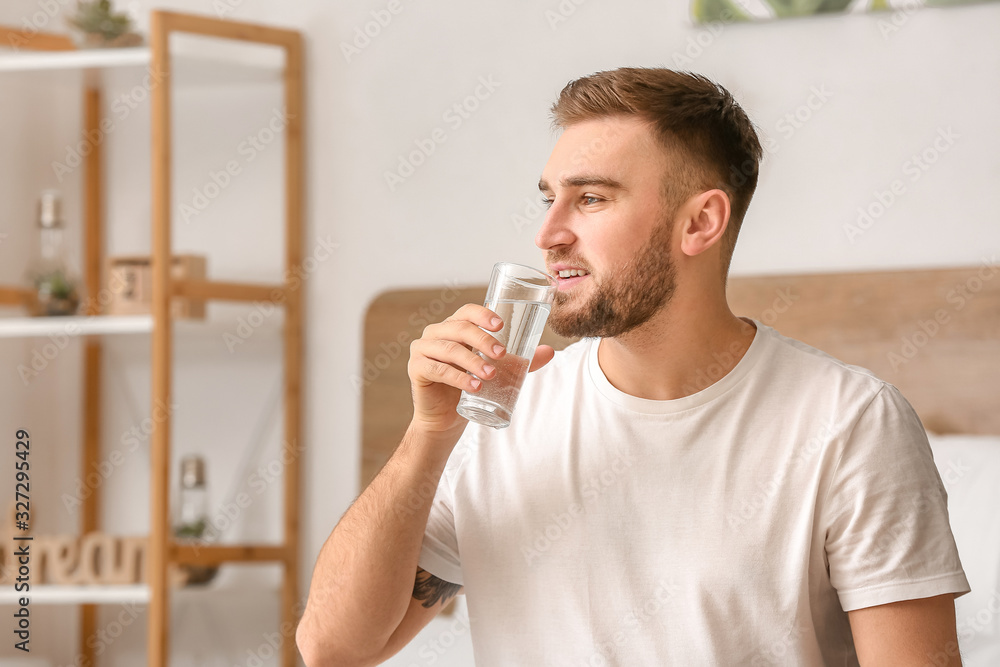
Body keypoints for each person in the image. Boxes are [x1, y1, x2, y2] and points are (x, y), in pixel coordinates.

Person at [296, 68, 970, 666]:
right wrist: (428, 433)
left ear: (700, 222)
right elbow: (332, 648)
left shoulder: (848, 422)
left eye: (590, 199)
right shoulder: (507, 413)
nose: (548, 233)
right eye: (548, 197)